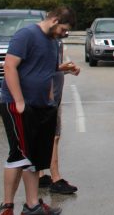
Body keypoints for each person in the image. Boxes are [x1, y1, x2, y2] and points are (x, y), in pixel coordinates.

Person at [0, 7, 79, 215]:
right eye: (63, 29)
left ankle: (32, 205)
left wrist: (64, 70)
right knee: (19, 155)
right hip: (20, 106)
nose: (64, 34)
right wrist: (19, 101)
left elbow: (45, 71)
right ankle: (9, 207)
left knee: (32, 157)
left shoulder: (53, 42)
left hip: (42, 106)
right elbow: (9, 66)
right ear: (54, 20)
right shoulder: (27, 35)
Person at [38, 39, 78, 195]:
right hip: (48, 98)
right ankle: (55, 178)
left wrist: (67, 69)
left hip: (53, 96)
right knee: (53, 136)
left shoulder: (55, 43)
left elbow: (53, 67)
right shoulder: (44, 43)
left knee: (46, 136)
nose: (64, 33)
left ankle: (40, 175)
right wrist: (62, 68)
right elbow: (40, 68)